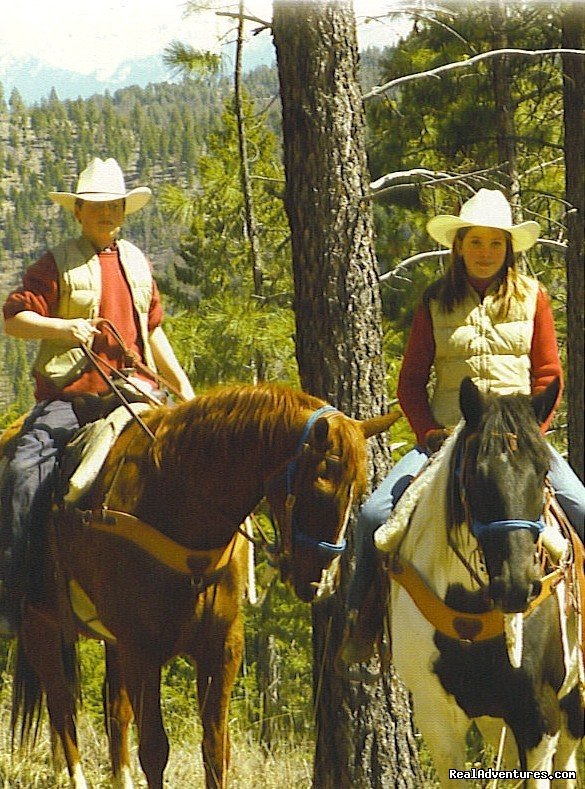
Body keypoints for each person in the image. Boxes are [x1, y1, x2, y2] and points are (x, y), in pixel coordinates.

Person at [340, 188, 585, 667]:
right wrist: (429, 432)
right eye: (476, 242)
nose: (485, 252)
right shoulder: (433, 301)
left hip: (518, 440)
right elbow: (411, 382)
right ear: (459, 246)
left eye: (495, 244)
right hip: (449, 435)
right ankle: (361, 623)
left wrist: (532, 434)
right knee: (372, 516)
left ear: (508, 249)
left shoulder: (533, 299)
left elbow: (548, 376)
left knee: (581, 507)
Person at [0, 157, 195, 636]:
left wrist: (184, 389)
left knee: (197, 465)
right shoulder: (55, 263)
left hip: (136, 392)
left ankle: (196, 586)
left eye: (114, 206)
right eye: (95, 207)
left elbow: (154, 332)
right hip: (72, 397)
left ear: (123, 212)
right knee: (25, 471)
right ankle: (15, 592)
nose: (106, 214)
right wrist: (63, 327)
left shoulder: (136, 262)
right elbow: (13, 319)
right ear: (79, 212)